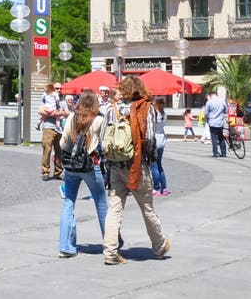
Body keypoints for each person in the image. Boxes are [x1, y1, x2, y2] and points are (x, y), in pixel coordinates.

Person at [101, 75, 170, 265]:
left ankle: (110, 252)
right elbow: (149, 139)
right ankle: (159, 246)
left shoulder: (110, 108)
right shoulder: (146, 108)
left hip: (115, 166)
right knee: (147, 208)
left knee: (114, 209)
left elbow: (103, 139)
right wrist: (149, 160)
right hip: (137, 166)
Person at [57, 89, 108, 258]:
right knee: (101, 203)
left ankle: (66, 247)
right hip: (89, 165)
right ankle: (110, 243)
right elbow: (105, 144)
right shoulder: (99, 119)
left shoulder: (71, 117)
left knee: (68, 203)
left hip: (70, 165)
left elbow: (63, 142)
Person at [38, 82, 64, 180]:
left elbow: (66, 113)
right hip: (48, 127)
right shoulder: (46, 98)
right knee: (47, 150)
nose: (59, 90)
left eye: (60, 88)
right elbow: (40, 110)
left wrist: (60, 112)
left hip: (59, 129)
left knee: (59, 151)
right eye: (57, 88)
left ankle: (58, 172)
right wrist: (53, 114)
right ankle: (45, 172)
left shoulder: (62, 101)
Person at [150, 103, 169, 196]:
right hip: (162, 139)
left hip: (155, 140)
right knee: (159, 165)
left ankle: (156, 187)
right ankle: (164, 187)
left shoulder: (154, 114)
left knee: (154, 166)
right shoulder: (164, 114)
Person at [203, 91, 227, 157]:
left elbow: (206, 113)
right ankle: (224, 153)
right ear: (215, 95)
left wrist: (205, 119)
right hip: (220, 122)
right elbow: (226, 110)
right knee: (221, 138)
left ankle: (215, 153)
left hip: (212, 123)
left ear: (210, 96)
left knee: (214, 138)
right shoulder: (222, 101)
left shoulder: (209, 102)